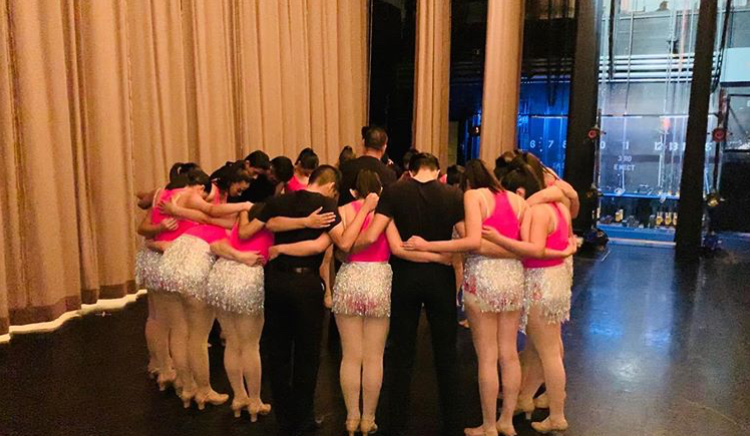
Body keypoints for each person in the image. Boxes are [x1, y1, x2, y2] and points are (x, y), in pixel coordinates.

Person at [352, 152, 464, 436]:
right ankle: (452, 422)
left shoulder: (394, 191)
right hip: (441, 278)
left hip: (405, 276)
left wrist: (347, 249)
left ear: (409, 171)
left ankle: (396, 422)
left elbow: (374, 234)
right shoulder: (453, 194)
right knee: (446, 352)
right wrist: (439, 256)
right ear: (438, 172)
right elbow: (464, 240)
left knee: (402, 351)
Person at [237, 165, 348, 434]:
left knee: (278, 349)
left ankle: (284, 416)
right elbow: (343, 242)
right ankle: (304, 416)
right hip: (306, 283)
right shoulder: (327, 206)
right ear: (332, 186)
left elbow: (253, 229)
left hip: (275, 280)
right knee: (307, 352)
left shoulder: (279, 201)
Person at [482, 165, 576, 435]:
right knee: (544, 347)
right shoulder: (559, 206)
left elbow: (533, 248)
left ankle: (557, 414)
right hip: (556, 280)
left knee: (546, 351)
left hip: (540, 281)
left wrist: (501, 239)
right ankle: (528, 397)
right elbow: (563, 242)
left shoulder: (536, 211)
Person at [158, 162, 253, 409]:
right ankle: (203, 390)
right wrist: (244, 207)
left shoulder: (199, 218)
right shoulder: (224, 225)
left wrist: (178, 210)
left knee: (183, 331)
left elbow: (204, 214)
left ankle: (187, 387)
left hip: (172, 265)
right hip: (193, 272)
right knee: (198, 337)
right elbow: (210, 212)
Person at [204, 203, 271, 421]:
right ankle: (254, 401)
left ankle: (239, 396)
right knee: (250, 345)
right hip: (247, 277)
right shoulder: (272, 226)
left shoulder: (239, 222)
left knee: (233, 342)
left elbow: (215, 244)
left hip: (222, 274)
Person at [338, 126, 397, 206]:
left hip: (348, 217)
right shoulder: (390, 175)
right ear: (384, 147)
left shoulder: (346, 168)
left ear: (363, 143)